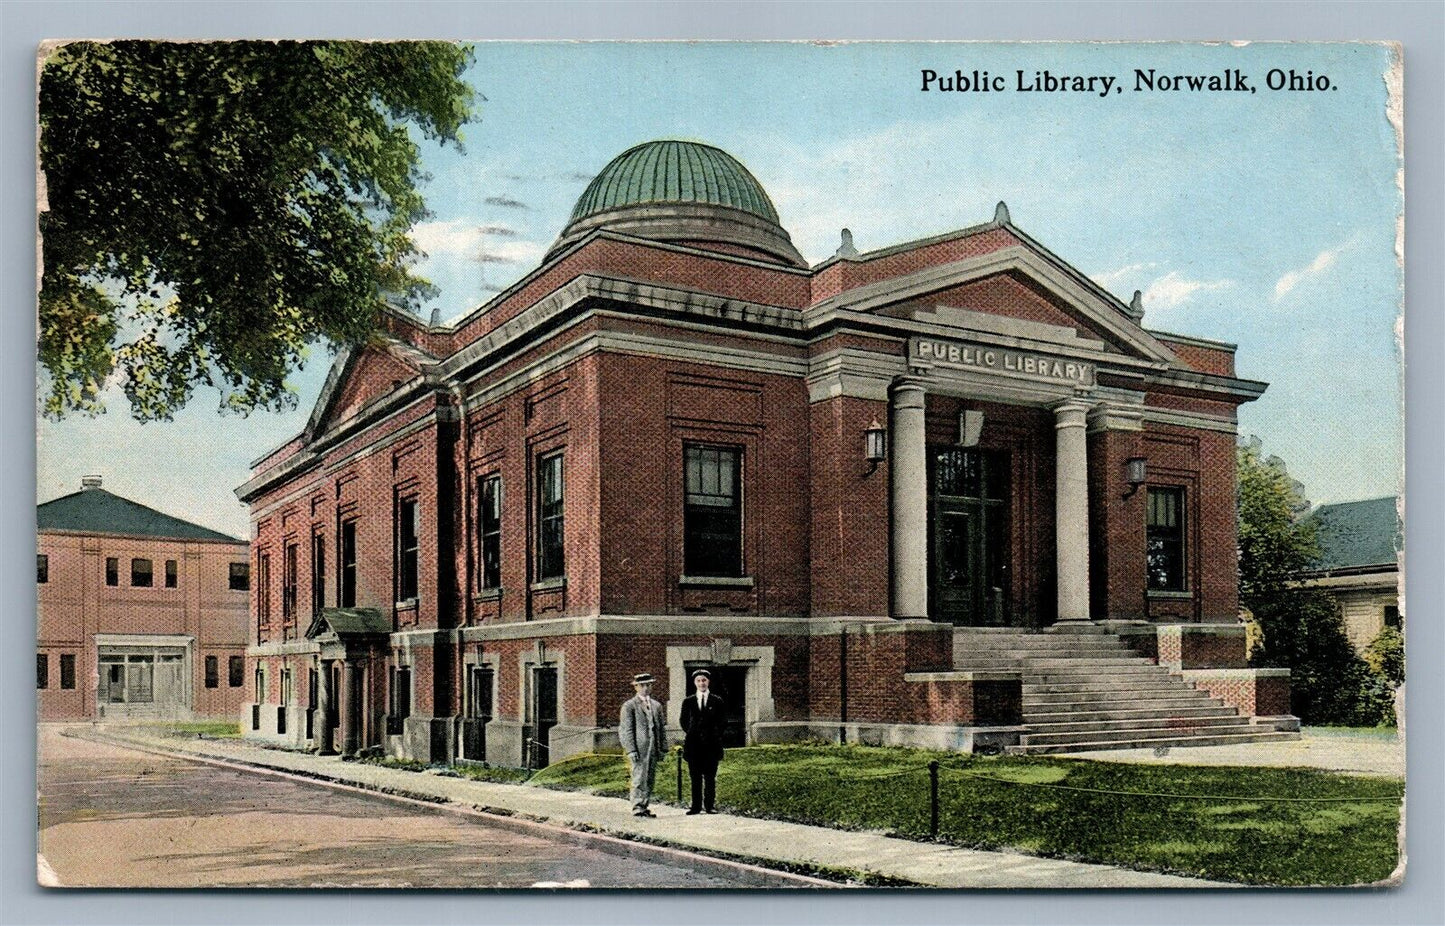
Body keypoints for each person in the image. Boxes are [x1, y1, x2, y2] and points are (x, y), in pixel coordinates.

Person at [679, 667, 727, 814]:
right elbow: (683, 721)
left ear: (708, 682)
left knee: (710, 777)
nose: (702, 683)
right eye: (699, 681)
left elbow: (722, 722)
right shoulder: (688, 701)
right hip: (694, 746)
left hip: (711, 746)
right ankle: (696, 806)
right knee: (695, 777)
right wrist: (694, 733)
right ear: (695, 683)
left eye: (704, 680)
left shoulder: (717, 701)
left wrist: (713, 735)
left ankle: (709, 806)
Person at [618, 672, 667, 817]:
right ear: (636, 687)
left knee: (650, 776)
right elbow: (626, 729)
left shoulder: (656, 706)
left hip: (653, 747)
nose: (645, 688)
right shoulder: (629, 706)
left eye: (648, 685)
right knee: (639, 776)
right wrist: (631, 749)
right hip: (639, 747)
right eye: (642, 685)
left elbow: (661, 728)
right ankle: (637, 807)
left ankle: (645, 805)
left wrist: (663, 748)